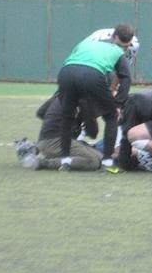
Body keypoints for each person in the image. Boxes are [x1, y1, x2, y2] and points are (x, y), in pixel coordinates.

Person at [56, 23, 134, 173]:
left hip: (66, 72)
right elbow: (126, 79)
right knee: (112, 117)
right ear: (129, 42)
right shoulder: (118, 52)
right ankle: (107, 163)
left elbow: (73, 60)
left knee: (67, 118)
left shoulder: (85, 44)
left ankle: (65, 162)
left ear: (113, 36)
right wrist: (118, 103)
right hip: (92, 74)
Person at [15, 94, 102, 171]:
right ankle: (43, 163)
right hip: (56, 141)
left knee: (101, 159)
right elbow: (93, 133)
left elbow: (40, 112)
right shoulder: (84, 99)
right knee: (92, 162)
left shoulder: (61, 93)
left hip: (48, 139)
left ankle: (35, 149)